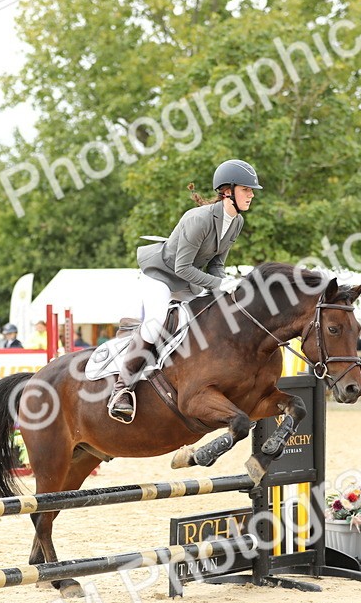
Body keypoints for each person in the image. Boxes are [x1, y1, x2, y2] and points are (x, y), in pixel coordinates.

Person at [109, 158, 260, 423]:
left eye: (251, 191)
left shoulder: (236, 222)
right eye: (246, 189)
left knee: (212, 318)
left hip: (188, 281)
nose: (251, 195)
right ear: (228, 191)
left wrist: (223, 290)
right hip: (161, 275)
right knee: (156, 323)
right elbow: (182, 267)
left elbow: (217, 264)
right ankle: (122, 389)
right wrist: (218, 284)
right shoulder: (198, 220)